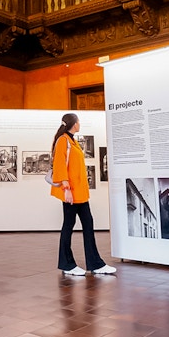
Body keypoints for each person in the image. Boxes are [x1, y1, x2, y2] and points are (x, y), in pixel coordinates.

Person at [50, 112, 117, 276]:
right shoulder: (63, 141)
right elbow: (59, 165)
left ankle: (95, 264)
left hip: (79, 192)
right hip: (70, 192)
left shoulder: (72, 141)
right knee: (69, 225)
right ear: (74, 123)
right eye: (78, 122)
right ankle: (67, 264)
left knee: (88, 223)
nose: (80, 124)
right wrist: (66, 189)